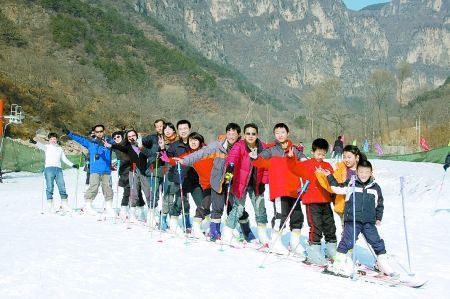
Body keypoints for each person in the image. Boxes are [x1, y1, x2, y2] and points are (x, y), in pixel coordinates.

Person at [322, 160, 395, 277]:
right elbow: (336, 188)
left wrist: (378, 217)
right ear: (357, 172)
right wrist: (329, 176)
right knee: (348, 241)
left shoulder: (376, 188)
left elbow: (379, 203)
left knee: (377, 242)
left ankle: (382, 263)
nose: (364, 174)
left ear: (371, 173)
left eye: (367, 172)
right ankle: (338, 263)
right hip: (352, 220)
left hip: (369, 222)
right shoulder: (351, 184)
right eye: (361, 171)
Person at [178, 123, 241, 241]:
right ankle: (214, 230)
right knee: (217, 207)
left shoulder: (241, 146)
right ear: (226, 133)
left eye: (234, 134)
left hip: (232, 181)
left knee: (234, 206)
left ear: (238, 135)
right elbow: (201, 152)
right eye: (229, 133)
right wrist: (185, 160)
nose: (231, 136)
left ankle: (233, 229)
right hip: (217, 180)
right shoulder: (218, 145)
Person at [252, 123, 306, 255]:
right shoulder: (271, 150)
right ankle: (275, 241)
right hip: (279, 189)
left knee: (297, 216)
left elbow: (304, 162)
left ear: (287, 133)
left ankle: (295, 243)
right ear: (274, 135)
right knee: (280, 216)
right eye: (277, 133)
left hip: (294, 189)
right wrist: (254, 157)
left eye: (282, 132)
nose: (280, 135)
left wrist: (304, 160)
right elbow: (259, 161)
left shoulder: (295, 150)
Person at [287, 138, 336, 264]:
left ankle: (332, 250)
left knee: (330, 225)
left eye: (323, 154)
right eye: (318, 153)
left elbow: (333, 182)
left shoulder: (327, 166)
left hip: (326, 201)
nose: (321, 156)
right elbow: (294, 169)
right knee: (316, 226)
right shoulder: (307, 164)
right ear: (313, 152)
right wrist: (291, 158)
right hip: (312, 202)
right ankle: (314, 250)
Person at [221, 123, 270, 246]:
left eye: (253, 133)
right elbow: (232, 157)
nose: (251, 136)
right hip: (241, 184)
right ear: (244, 135)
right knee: (238, 208)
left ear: (257, 135)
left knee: (260, 210)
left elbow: (266, 166)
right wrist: (230, 167)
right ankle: (227, 234)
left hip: (256, 185)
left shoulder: (262, 147)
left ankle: (263, 237)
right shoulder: (239, 145)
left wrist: (264, 181)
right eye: (248, 133)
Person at [162, 132, 213, 237]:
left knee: (202, 204)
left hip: (197, 183)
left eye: (195, 140)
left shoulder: (207, 151)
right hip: (183, 181)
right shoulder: (188, 153)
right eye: (191, 140)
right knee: (179, 203)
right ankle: (173, 223)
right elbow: (177, 160)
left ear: (200, 141)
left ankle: (206, 226)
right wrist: (168, 159)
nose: (193, 142)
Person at [63, 124, 114, 216]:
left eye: (101, 131)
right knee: (93, 187)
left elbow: (119, 144)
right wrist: (68, 133)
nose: (99, 133)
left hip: (106, 169)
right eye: (97, 132)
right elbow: (79, 139)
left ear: (104, 131)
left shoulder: (109, 142)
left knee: (108, 188)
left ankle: (109, 206)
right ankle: (87, 206)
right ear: (94, 132)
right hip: (95, 170)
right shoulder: (91, 142)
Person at [104, 130, 151, 223]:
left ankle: (149, 213)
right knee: (132, 193)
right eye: (129, 136)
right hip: (130, 172)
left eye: (133, 135)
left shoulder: (139, 145)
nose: (131, 138)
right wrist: (111, 146)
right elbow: (119, 147)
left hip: (141, 171)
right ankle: (129, 212)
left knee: (145, 193)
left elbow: (149, 150)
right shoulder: (126, 146)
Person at [316, 145, 367, 225]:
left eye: (349, 157)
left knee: (367, 230)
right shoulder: (340, 170)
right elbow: (333, 186)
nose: (346, 160)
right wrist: (322, 175)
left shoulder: (364, 171)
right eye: (344, 157)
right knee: (347, 232)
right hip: (345, 208)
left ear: (357, 158)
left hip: (362, 208)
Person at [31, 133, 79, 212]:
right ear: (49, 140)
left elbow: (64, 159)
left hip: (58, 170)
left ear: (56, 140)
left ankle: (64, 204)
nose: (53, 140)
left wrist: (73, 165)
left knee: (62, 187)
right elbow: (41, 146)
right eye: (51, 139)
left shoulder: (59, 148)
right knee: (50, 187)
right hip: (49, 169)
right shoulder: (47, 147)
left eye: (54, 139)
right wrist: (34, 142)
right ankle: (50, 205)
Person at [162, 120, 192, 233]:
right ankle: (164, 218)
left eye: (185, 128)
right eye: (181, 129)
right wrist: (161, 150)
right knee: (169, 197)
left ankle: (186, 220)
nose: (183, 131)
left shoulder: (194, 141)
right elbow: (166, 157)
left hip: (190, 176)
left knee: (184, 200)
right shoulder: (174, 145)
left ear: (189, 128)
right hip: (175, 175)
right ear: (178, 130)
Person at [142, 119, 166, 221]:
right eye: (157, 126)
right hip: (154, 170)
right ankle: (152, 212)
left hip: (167, 170)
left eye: (161, 126)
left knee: (167, 196)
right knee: (154, 193)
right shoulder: (151, 138)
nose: (160, 128)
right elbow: (141, 143)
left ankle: (164, 216)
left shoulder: (170, 138)